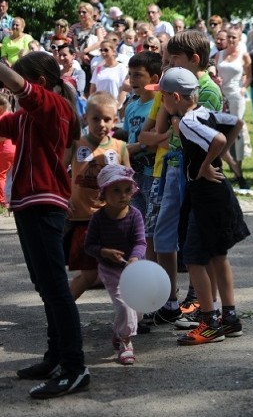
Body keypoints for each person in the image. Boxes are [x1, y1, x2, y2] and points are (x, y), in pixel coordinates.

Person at [0, 51, 89, 398]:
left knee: (55, 288)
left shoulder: (53, 105)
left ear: (37, 82)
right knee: (45, 285)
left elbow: (20, 87)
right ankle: (55, 357)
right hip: (28, 207)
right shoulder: (26, 116)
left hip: (43, 205)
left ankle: (74, 366)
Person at [152, 67, 249, 344]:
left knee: (195, 258)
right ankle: (229, 318)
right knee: (218, 255)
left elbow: (218, 139)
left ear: (174, 97)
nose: (162, 103)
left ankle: (208, 322)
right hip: (219, 193)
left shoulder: (186, 122)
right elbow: (236, 124)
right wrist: (217, 159)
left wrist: (206, 165)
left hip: (206, 195)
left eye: (162, 98)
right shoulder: (205, 112)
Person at [66, 91, 131, 299]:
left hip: (112, 221)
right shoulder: (77, 144)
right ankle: (59, 311)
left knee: (122, 271)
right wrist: (62, 196)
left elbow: (129, 182)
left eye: (106, 119)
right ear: (86, 117)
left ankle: (131, 316)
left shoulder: (119, 147)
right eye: (96, 118)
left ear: (115, 120)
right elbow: (58, 170)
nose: (101, 124)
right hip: (83, 220)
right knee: (88, 274)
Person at [84, 165, 146, 365]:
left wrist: (135, 259)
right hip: (110, 270)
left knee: (138, 311)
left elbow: (140, 242)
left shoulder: (135, 215)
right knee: (124, 306)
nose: (123, 195)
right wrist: (104, 252)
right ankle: (125, 343)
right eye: (116, 190)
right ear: (104, 193)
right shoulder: (98, 218)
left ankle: (119, 332)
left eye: (127, 190)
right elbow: (89, 246)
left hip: (134, 270)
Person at [123, 51, 161, 259]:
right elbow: (127, 133)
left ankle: (153, 266)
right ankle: (139, 263)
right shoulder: (132, 106)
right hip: (133, 175)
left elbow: (157, 138)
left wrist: (136, 147)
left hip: (153, 173)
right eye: (130, 75)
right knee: (135, 222)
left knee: (151, 224)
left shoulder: (159, 106)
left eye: (138, 75)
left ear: (154, 79)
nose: (132, 80)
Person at [215, 26, 252, 188]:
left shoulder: (244, 56)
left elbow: (249, 76)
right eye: (228, 37)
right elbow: (214, 73)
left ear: (239, 39)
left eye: (234, 37)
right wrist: (216, 80)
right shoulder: (219, 55)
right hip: (221, 95)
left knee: (237, 133)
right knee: (221, 130)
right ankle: (228, 167)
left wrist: (243, 88)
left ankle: (239, 169)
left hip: (236, 96)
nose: (231, 40)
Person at [0, 95, 15, 207]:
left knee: (1, 175)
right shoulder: (11, 116)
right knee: (12, 175)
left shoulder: (1, 119)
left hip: (5, 151)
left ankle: (4, 202)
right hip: (16, 149)